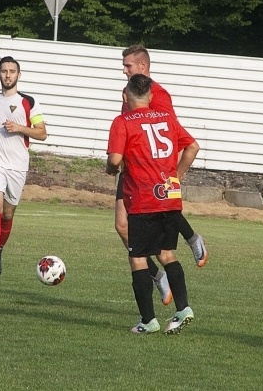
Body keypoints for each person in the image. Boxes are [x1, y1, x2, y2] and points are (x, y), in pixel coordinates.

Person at [106, 73, 201, 334]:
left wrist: (109, 168)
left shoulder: (122, 122)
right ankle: (183, 309)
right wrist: (176, 176)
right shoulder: (167, 118)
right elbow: (192, 147)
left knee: (137, 258)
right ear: (150, 96)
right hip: (169, 196)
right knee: (167, 253)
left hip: (143, 199)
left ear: (125, 96)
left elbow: (115, 161)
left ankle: (148, 321)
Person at [115, 45, 207, 306]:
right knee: (122, 227)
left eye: (128, 66)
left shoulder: (160, 95)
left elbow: (172, 135)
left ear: (142, 66)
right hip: (131, 171)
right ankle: (157, 276)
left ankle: (191, 238)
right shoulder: (130, 91)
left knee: (160, 227)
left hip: (154, 175)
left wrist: (174, 174)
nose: (124, 70)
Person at [0, 56, 48, 276]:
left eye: (12, 71)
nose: (8, 75)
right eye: (4, 71)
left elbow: (42, 133)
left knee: (7, 213)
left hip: (17, 164)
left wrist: (19, 128)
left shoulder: (29, 102)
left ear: (18, 75)